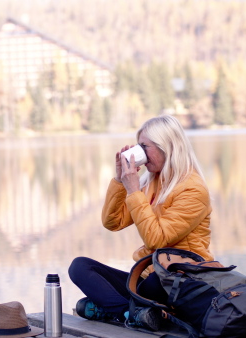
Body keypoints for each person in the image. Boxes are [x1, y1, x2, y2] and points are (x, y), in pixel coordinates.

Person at [68, 115, 213, 329]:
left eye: (144, 147)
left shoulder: (193, 189)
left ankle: (116, 308)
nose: (140, 154)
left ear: (167, 147)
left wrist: (134, 190)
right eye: (138, 146)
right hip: (148, 275)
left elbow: (156, 239)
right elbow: (112, 222)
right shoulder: (151, 181)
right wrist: (120, 181)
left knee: (155, 283)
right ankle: (130, 313)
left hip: (181, 279)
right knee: (80, 266)